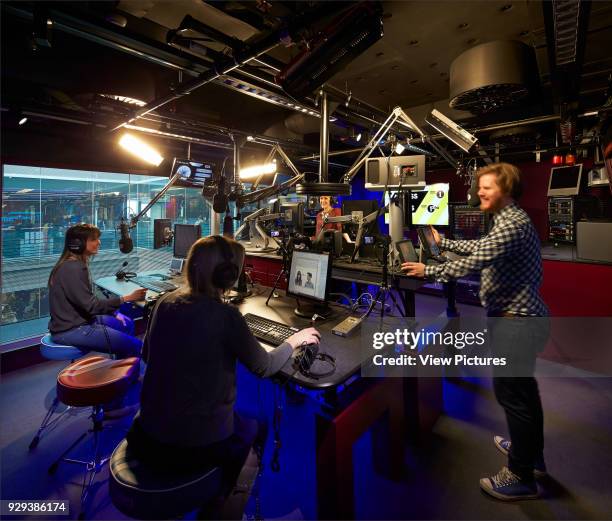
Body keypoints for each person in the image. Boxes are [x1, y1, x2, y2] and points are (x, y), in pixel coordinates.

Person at [127, 235, 320, 496]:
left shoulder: (164, 302)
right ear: (227, 275)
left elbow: (148, 356)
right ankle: (226, 502)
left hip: (146, 434)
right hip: (194, 447)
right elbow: (265, 367)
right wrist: (294, 340)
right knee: (258, 426)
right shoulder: (226, 317)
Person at [401, 163, 549, 501]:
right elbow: (481, 248)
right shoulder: (507, 220)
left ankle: (521, 475)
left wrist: (430, 268)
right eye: (479, 186)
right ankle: (530, 450)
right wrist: (448, 241)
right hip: (519, 319)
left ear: (507, 190)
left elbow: (473, 262)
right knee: (524, 392)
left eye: (487, 187)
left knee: (513, 394)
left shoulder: (511, 224)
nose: (478, 193)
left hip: (517, 322)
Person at [48, 224, 145, 358]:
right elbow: (91, 306)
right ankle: (127, 373)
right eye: (94, 239)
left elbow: (86, 302)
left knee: (127, 322)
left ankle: (122, 366)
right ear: (78, 244)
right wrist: (126, 298)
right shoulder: (72, 268)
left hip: (83, 320)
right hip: (71, 330)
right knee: (137, 346)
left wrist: (114, 312)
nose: (99, 242)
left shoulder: (75, 264)